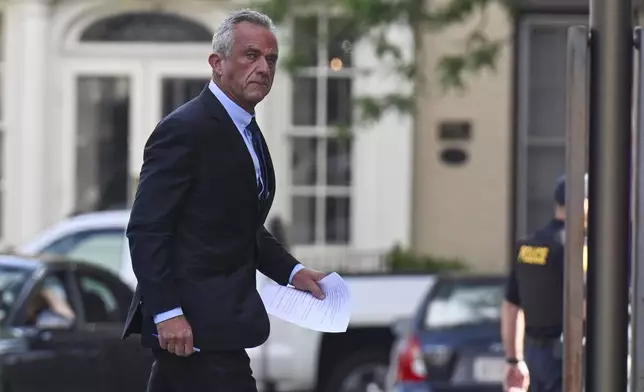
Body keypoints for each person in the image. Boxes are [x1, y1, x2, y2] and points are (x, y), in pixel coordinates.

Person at [121, 9, 328, 392]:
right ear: (217, 63)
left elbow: (241, 223)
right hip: (193, 330)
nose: (264, 68)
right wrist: (168, 314)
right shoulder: (185, 129)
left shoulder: (245, 129)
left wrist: (292, 272)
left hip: (220, 326)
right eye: (251, 55)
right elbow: (147, 230)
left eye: (271, 59)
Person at [501, 174, 588, 392]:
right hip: (568, 357)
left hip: (534, 357)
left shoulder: (528, 246)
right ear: (583, 203)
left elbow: (511, 306)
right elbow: (586, 306)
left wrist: (514, 359)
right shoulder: (576, 249)